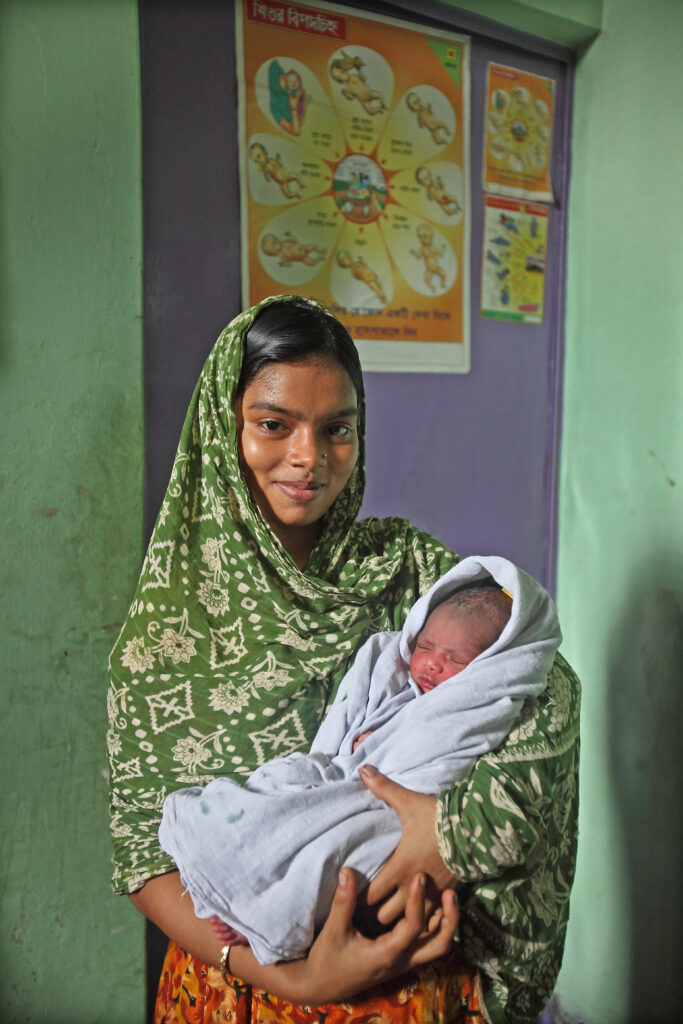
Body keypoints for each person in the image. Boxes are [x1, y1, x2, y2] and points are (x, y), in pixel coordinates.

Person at [107, 294, 580, 1024]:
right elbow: (143, 849)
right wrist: (291, 978)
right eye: (272, 425)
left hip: (410, 981)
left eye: (337, 430)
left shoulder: (409, 571)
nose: (308, 458)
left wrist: (442, 830)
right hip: (236, 989)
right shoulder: (170, 624)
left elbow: (538, 679)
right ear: (222, 429)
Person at [159, 557, 562, 968]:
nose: (431, 664)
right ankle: (235, 884)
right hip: (339, 776)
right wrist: (364, 742)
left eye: (456, 659)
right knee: (277, 787)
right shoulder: (397, 673)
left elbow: (438, 753)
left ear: (492, 667)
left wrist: (379, 754)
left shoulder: (482, 703)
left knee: (337, 851)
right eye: (424, 646)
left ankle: (267, 914)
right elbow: (353, 731)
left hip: (394, 811)